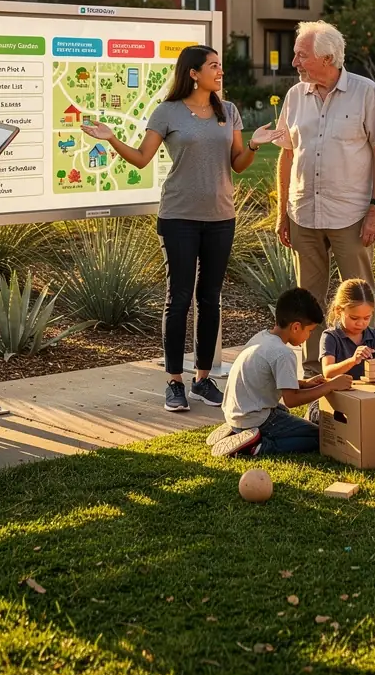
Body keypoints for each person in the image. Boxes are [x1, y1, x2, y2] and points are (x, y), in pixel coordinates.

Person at [83, 44, 280, 413]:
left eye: (221, 67)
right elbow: (141, 159)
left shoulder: (229, 111)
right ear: (193, 72)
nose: (220, 72)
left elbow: (238, 164)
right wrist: (111, 138)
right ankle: (174, 382)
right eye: (213, 66)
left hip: (221, 218)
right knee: (179, 299)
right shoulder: (167, 111)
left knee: (210, 299)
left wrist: (253, 143)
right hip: (179, 217)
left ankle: (203, 379)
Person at [274, 20, 375, 376]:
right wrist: (282, 212)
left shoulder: (365, 92)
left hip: (351, 216)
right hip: (303, 214)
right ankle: (315, 372)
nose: (295, 62)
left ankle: (369, 368)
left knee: (360, 297)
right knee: (307, 301)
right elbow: (286, 154)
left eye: (301, 55)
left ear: (327, 57)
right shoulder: (295, 96)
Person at [207, 287, 354, 457]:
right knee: (319, 437)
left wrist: (305, 383)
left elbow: (267, 379)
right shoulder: (283, 354)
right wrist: (330, 386)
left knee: (283, 412)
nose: (308, 336)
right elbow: (292, 399)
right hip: (256, 417)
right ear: (296, 327)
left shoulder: (262, 337)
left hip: (237, 411)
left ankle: (239, 431)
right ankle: (258, 446)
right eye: (310, 331)